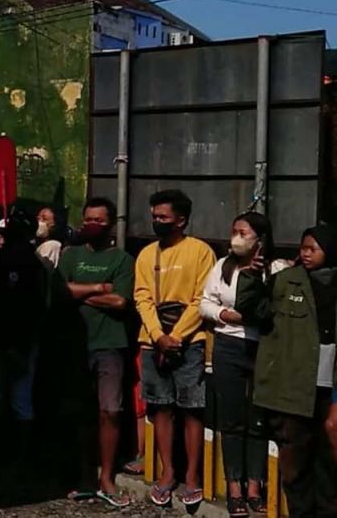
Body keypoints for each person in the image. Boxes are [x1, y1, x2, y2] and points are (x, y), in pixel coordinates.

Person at [236, 224, 337, 518]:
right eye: (302, 248)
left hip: (328, 390)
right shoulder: (285, 281)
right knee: (295, 466)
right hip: (293, 391)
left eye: (312, 249)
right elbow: (252, 308)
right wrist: (252, 276)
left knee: (328, 466)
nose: (304, 254)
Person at [132, 189, 214, 508]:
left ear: (181, 220)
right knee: (160, 407)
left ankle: (192, 476)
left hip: (189, 341)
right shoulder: (146, 254)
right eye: (154, 217)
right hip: (152, 341)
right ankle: (168, 473)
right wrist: (157, 335)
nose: (157, 222)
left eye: (163, 217)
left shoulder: (200, 252)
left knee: (192, 408)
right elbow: (142, 297)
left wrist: (176, 336)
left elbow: (200, 299)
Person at [60, 196, 134, 508]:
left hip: (110, 344)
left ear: (111, 224)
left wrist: (80, 292)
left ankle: (107, 476)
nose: (91, 225)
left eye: (98, 220)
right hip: (76, 344)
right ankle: (84, 476)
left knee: (111, 411)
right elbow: (60, 291)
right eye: (88, 219)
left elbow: (120, 302)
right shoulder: (70, 255)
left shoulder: (122, 260)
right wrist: (99, 289)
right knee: (80, 412)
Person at [200, 213, 274, 517]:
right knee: (231, 418)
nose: (236, 238)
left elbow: (268, 309)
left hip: (262, 347)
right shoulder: (222, 266)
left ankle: (255, 485)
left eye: (243, 232)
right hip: (228, 345)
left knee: (257, 419)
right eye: (234, 232)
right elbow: (205, 302)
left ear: (260, 239)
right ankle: (234, 485)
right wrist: (223, 315)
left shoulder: (274, 270)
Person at [0, 206, 48, 477]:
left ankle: (15, 461)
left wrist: (18, 346)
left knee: (16, 399)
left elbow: (29, 309)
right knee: (2, 398)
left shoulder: (28, 264)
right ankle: (3, 457)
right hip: (2, 340)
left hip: (17, 341)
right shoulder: (6, 261)